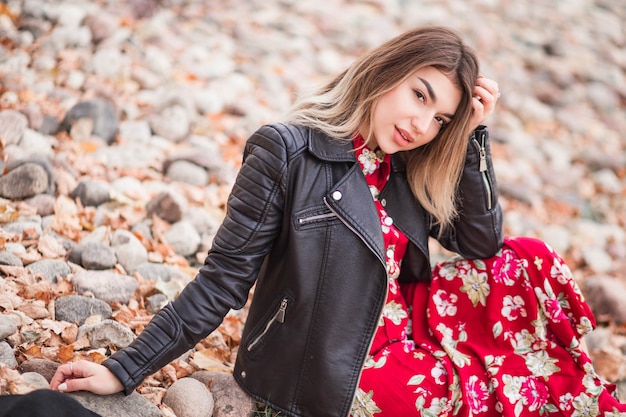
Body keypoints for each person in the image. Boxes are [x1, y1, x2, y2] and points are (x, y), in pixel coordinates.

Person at [49, 26, 626, 417]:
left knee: (528, 260)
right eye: (418, 95)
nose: (422, 123)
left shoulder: (407, 166)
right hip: (337, 361)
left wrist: (473, 136)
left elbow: (482, 242)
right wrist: (125, 370)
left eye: (440, 117)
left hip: (408, 318)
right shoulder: (286, 152)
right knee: (465, 388)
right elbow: (221, 281)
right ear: (386, 73)